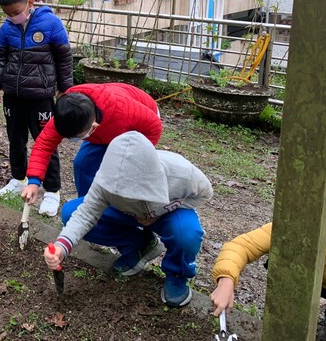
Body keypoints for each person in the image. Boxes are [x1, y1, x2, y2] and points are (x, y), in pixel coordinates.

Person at [44, 131, 212, 307]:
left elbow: (204, 194)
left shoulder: (181, 173)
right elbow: (85, 214)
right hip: (127, 213)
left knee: (187, 233)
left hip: (166, 213)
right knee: (70, 212)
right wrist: (61, 247)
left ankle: (177, 276)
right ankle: (139, 246)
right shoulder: (106, 179)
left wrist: (161, 212)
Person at [210, 184, 326, 341]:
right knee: (281, 266)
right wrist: (226, 280)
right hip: (306, 278)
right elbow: (242, 246)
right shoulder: (300, 224)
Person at [0, 0, 73, 217]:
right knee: (15, 139)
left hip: (41, 96)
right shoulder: (6, 28)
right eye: (7, 13)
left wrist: (65, 88)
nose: (12, 16)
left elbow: (64, 58)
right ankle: (18, 179)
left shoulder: (51, 24)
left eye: (16, 12)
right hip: (13, 96)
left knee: (44, 142)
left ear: (30, 2)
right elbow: (1, 58)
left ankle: (53, 190)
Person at [22, 83, 162, 203]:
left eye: (77, 137)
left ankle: (123, 210)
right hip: (103, 129)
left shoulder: (126, 111)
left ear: (93, 127)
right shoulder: (66, 116)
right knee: (82, 164)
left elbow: (154, 126)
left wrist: (136, 157)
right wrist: (34, 182)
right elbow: (44, 144)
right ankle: (86, 207)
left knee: (120, 171)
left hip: (137, 125)